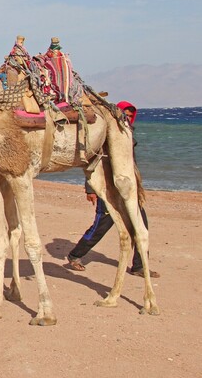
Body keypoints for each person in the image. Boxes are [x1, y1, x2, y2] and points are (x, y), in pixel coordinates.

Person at [65, 101, 160, 277]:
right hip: (107, 189)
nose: (128, 119)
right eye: (125, 115)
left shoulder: (127, 134)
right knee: (101, 225)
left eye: (131, 116)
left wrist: (137, 187)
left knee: (141, 224)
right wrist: (90, 189)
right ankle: (75, 255)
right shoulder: (106, 134)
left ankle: (139, 266)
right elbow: (93, 161)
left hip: (128, 189)